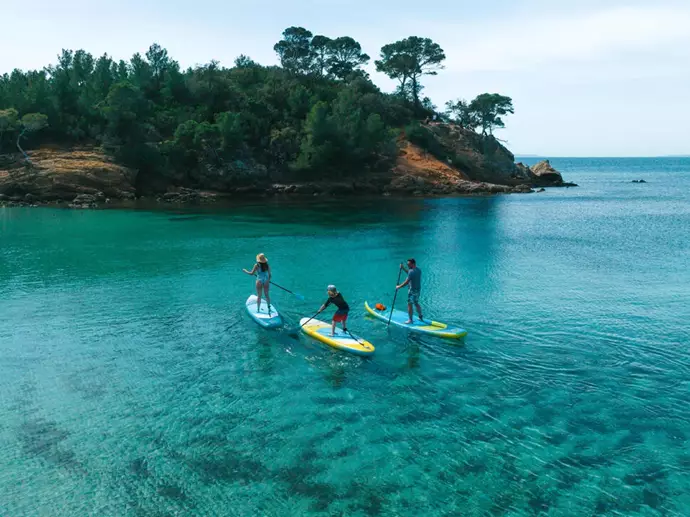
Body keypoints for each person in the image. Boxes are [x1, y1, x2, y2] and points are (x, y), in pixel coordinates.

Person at [396, 258, 423, 324]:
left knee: (409, 304)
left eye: (409, 264)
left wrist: (398, 287)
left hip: (412, 291)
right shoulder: (418, 270)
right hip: (418, 290)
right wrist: (403, 268)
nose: (408, 265)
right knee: (416, 303)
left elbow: (406, 282)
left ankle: (410, 320)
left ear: (413, 264)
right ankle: (420, 316)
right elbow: (410, 274)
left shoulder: (411, 272)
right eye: (407, 264)